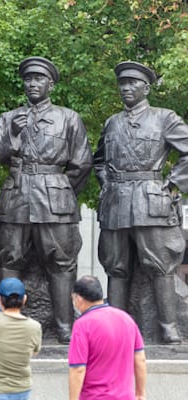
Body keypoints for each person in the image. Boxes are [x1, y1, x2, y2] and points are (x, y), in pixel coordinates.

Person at [0, 56, 93, 343]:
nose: (33, 84)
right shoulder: (9, 118)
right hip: (16, 197)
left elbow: (82, 164)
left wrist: (60, 190)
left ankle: (64, 326)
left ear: (50, 84)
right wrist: (11, 135)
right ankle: (8, 324)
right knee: (9, 258)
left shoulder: (68, 118)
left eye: (39, 79)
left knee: (61, 262)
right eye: (28, 79)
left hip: (55, 201)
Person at [94, 61, 188, 344]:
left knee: (160, 265)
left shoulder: (164, 118)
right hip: (116, 200)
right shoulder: (112, 122)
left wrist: (172, 185)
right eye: (122, 84)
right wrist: (106, 183)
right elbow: (98, 160)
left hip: (151, 201)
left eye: (132, 83)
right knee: (116, 266)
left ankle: (168, 327)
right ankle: (116, 329)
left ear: (146, 88)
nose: (126, 89)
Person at [68, 275, 146, 400]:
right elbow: (140, 358)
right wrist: (140, 393)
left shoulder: (82, 325)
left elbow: (78, 369)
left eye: (73, 299)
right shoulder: (126, 318)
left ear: (79, 299)